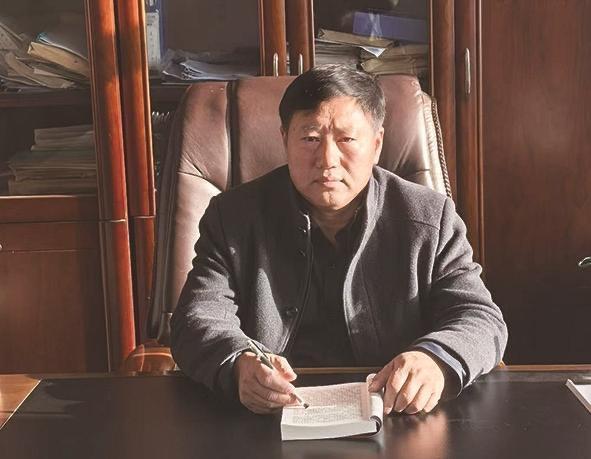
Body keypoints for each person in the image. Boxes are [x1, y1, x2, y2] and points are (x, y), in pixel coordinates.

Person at [171, 64, 507, 416]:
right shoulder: (233, 217)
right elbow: (197, 318)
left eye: (346, 139)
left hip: (395, 413)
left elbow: (480, 318)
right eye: (310, 139)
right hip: (270, 416)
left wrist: (435, 359)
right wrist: (238, 361)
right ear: (284, 139)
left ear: (376, 144)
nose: (327, 160)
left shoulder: (429, 217)